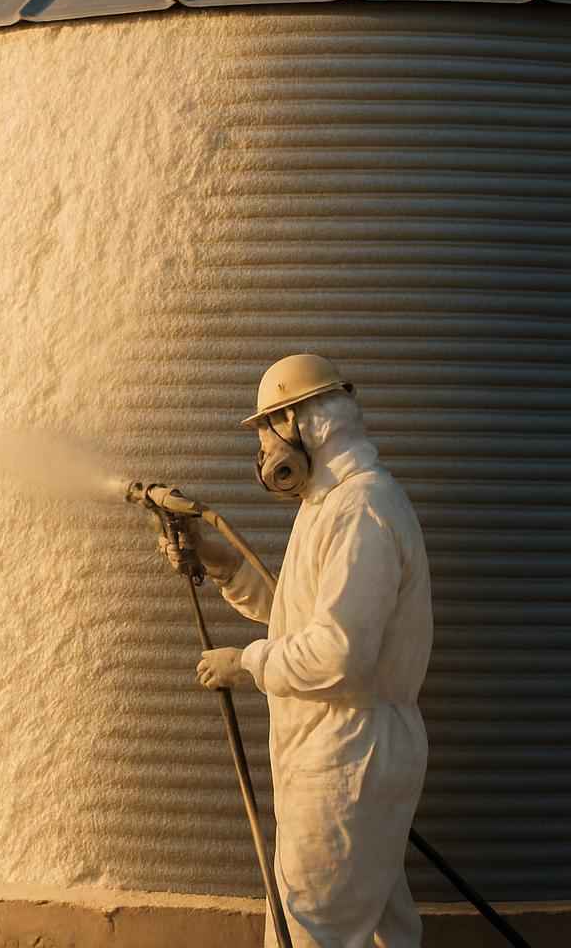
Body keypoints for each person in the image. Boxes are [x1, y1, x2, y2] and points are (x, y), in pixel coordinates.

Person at [167, 354, 433, 948]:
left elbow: (339, 654)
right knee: (385, 929)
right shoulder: (328, 506)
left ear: (302, 421)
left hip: (346, 754)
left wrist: (248, 663)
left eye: (267, 428)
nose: (263, 449)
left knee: (311, 930)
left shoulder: (360, 511)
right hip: (344, 751)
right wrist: (219, 560)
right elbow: (296, 616)